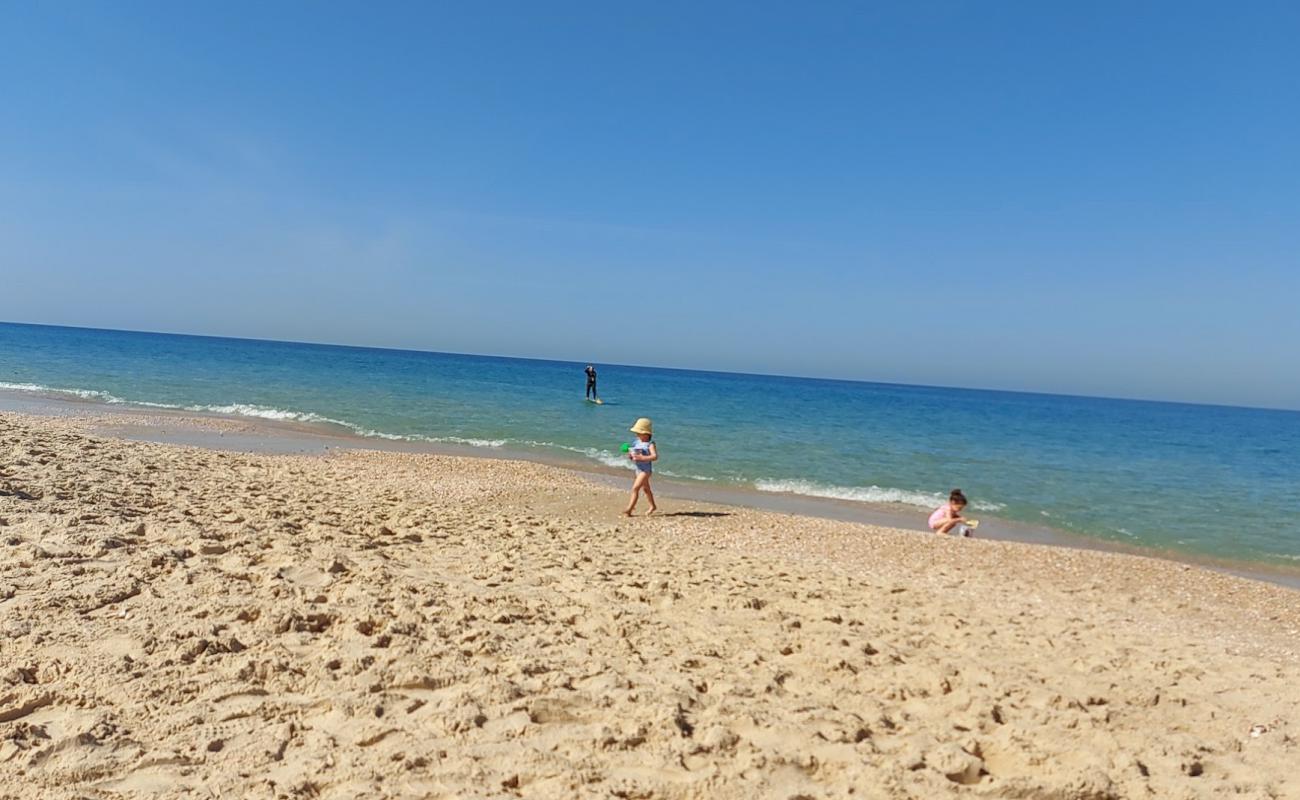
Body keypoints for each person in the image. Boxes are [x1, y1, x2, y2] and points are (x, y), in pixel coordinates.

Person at [622, 417, 658, 516]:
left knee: (635, 488)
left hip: (646, 471)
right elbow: (633, 453)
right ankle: (653, 506)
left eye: (639, 432)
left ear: (646, 433)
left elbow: (655, 456)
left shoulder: (650, 444)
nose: (637, 434)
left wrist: (642, 457)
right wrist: (630, 455)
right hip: (638, 469)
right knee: (646, 489)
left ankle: (629, 509)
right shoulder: (636, 442)